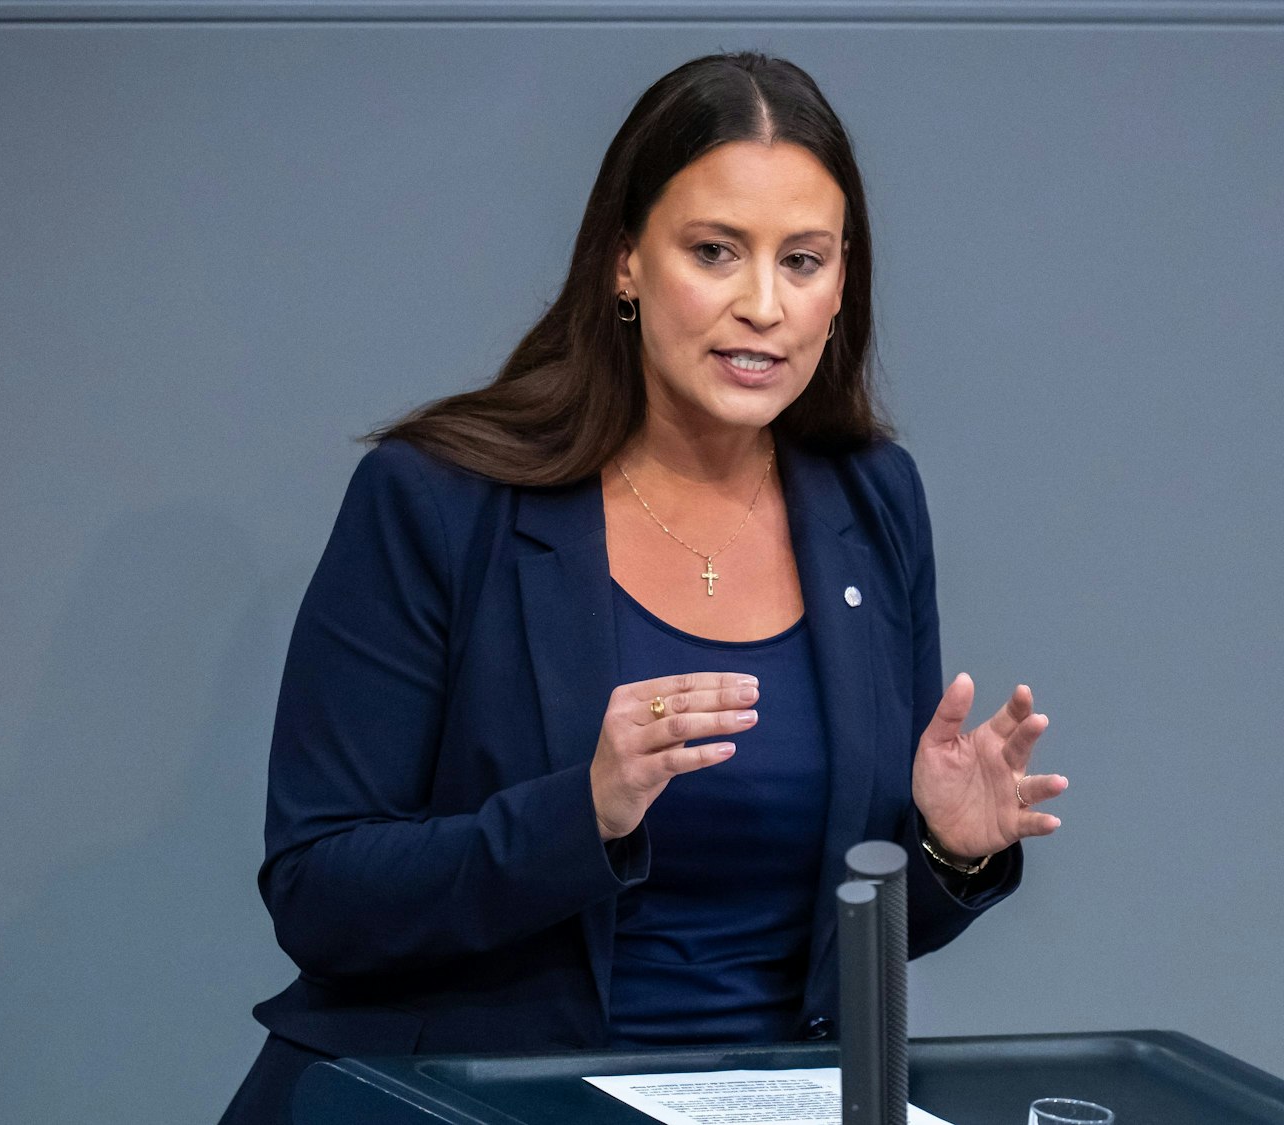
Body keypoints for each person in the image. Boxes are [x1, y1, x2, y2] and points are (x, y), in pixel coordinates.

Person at [218, 50, 1069, 1125]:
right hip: (466, 1104)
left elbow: (834, 943)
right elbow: (319, 894)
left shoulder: (872, 502)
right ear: (624, 262)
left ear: (842, 282)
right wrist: (581, 812)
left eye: (802, 261)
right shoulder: (436, 499)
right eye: (715, 253)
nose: (762, 305)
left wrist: (945, 850)